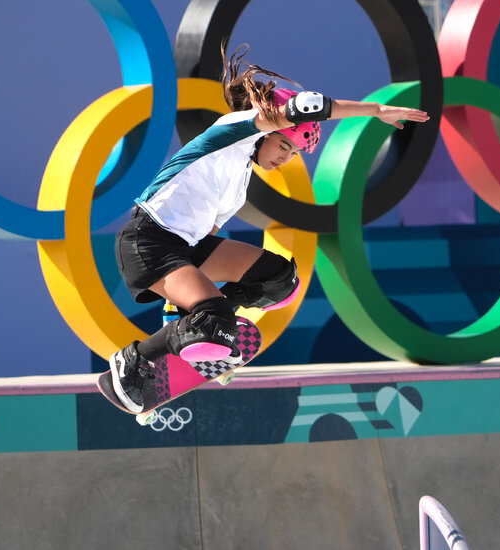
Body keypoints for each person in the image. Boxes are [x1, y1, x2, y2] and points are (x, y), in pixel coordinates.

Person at [106, 44, 430, 412]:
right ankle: (137, 359)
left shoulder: (237, 184)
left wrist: (178, 310)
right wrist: (374, 111)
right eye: (282, 145)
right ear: (265, 130)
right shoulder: (232, 132)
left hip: (185, 248)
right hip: (147, 240)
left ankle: (201, 329)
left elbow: (203, 247)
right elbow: (308, 107)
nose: (283, 158)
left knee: (280, 279)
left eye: (292, 154)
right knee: (215, 321)